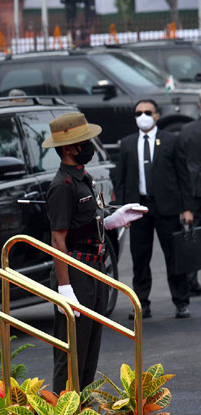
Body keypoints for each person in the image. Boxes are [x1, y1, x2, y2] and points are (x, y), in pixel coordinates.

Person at [43, 112, 145, 392]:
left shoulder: (83, 178)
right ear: (68, 148)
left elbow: (86, 220)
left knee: (90, 346)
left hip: (94, 268)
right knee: (72, 349)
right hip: (75, 271)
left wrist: (113, 220)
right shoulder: (62, 186)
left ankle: (83, 408)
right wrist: (65, 287)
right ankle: (64, 410)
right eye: (84, 142)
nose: (89, 146)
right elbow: (58, 239)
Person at [115, 99, 193, 319]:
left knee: (173, 256)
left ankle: (181, 301)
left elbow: (183, 176)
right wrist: (123, 212)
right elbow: (120, 180)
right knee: (139, 258)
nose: (143, 116)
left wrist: (187, 208)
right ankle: (141, 303)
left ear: (157, 115)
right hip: (139, 207)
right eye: (138, 113)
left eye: (147, 112)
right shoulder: (127, 144)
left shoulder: (171, 140)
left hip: (167, 207)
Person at [176, 92, 201, 296]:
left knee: (193, 236)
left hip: (192, 190)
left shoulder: (186, 130)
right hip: (193, 189)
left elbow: (181, 164)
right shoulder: (188, 130)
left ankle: (191, 281)